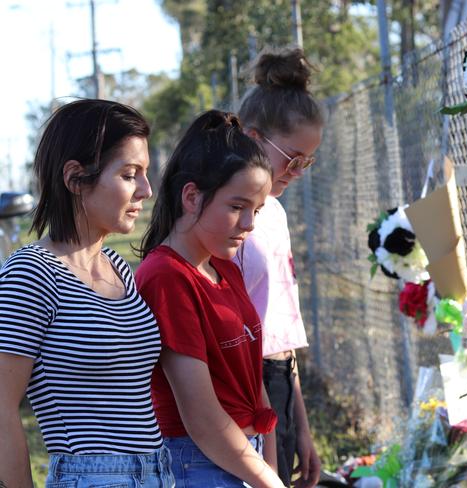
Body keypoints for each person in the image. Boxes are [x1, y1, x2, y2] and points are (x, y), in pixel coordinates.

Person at [0, 99, 174, 488]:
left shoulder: (118, 267)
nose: (146, 189)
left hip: (158, 474)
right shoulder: (32, 272)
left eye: (145, 173)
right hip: (91, 478)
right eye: (131, 174)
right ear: (76, 177)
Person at [136, 110, 285, 488]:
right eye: (237, 207)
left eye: (256, 210)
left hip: (242, 457)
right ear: (191, 196)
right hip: (199, 465)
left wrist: (268, 465)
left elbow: (252, 378)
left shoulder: (224, 266)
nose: (249, 224)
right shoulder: (166, 277)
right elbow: (202, 418)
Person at [235, 46, 324, 488]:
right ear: (252, 139)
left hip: (278, 386)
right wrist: (268, 435)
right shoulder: (228, 222)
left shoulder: (275, 213)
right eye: (292, 158)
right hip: (244, 394)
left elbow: (281, 336)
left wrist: (301, 427)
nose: (299, 171)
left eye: (307, 161)